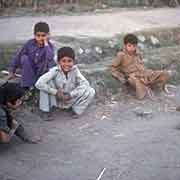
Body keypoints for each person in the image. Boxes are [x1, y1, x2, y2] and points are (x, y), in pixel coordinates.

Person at [35, 47, 95, 119]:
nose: (67, 64)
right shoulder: (54, 71)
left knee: (90, 91)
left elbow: (85, 84)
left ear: (74, 61)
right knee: (46, 83)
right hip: (56, 99)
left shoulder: (75, 70)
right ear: (58, 62)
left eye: (69, 61)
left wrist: (70, 94)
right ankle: (45, 111)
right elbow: (38, 83)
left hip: (69, 99)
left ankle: (75, 110)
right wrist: (56, 92)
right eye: (63, 61)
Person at [111, 33, 170, 100]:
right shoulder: (121, 55)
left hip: (144, 74)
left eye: (134, 46)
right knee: (138, 85)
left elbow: (142, 65)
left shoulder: (138, 54)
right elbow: (113, 67)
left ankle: (154, 86)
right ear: (125, 45)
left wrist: (146, 74)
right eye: (129, 46)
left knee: (165, 74)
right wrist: (121, 77)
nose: (132, 48)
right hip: (134, 77)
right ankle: (145, 92)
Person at [7, 22, 55, 90]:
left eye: (43, 35)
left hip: (41, 73)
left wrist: (46, 43)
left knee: (50, 61)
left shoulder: (49, 46)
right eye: (38, 35)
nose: (40, 38)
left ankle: (35, 84)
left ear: (48, 35)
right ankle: (28, 86)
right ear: (34, 35)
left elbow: (50, 57)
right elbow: (18, 56)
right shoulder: (30, 43)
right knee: (24, 58)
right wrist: (12, 71)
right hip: (30, 72)